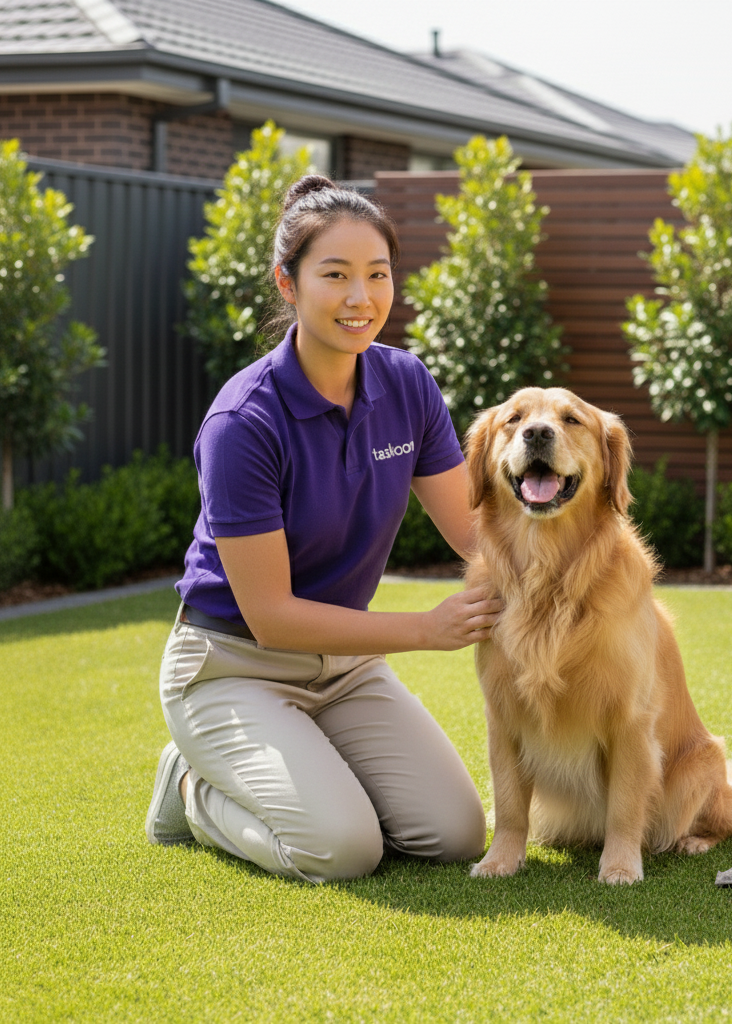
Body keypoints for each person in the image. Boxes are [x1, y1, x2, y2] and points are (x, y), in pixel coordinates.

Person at [145, 175, 500, 883]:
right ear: (288, 283)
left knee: (454, 834)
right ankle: (190, 787)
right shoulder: (242, 422)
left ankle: (305, 769)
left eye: (377, 275)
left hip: (343, 666)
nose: (360, 298)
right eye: (334, 275)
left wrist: (582, 565)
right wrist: (425, 630)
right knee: (341, 851)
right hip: (232, 665)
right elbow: (272, 619)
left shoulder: (407, 385)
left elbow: (472, 530)